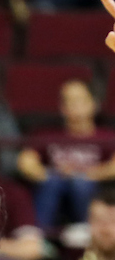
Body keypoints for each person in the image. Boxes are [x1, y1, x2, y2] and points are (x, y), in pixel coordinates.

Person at [17, 80, 115, 229]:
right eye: (67, 101)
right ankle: (38, 234)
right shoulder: (47, 135)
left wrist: (89, 174)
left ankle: (87, 230)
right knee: (52, 182)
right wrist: (47, 174)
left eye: (79, 100)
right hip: (55, 183)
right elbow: (25, 162)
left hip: (92, 185)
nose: (73, 105)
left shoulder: (107, 137)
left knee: (80, 183)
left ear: (94, 104)